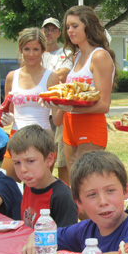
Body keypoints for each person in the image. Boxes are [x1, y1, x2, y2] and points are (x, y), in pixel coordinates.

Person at [21, 151, 128, 254]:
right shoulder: (86, 229)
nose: (103, 201)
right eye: (92, 195)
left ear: (126, 191)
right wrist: (34, 239)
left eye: (110, 191)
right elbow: (48, 235)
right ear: (79, 202)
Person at [52, 5, 116, 173]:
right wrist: (55, 102)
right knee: (74, 184)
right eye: (67, 27)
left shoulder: (99, 56)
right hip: (69, 127)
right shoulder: (76, 57)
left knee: (85, 181)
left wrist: (71, 107)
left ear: (88, 26)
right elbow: (61, 113)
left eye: (75, 26)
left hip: (90, 126)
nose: (70, 31)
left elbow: (104, 104)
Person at [0, 27, 60, 181]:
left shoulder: (51, 77)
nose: (31, 54)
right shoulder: (12, 77)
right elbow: (8, 110)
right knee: (6, 183)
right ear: (21, 49)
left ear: (42, 50)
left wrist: (61, 105)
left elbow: (58, 117)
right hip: (17, 135)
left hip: (42, 138)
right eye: (27, 49)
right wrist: (6, 118)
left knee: (39, 187)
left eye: (35, 49)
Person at [6, 124, 77, 228]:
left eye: (30, 161)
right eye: (17, 163)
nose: (23, 169)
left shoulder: (62, 196)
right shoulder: (28, 186)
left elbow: (68, 239)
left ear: (49, 159)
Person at [41, 17, 73, 185]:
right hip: (39, 111)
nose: (49, 33)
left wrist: (40, 80)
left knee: (61, 157)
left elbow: (62, 75)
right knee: (40, 157)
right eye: (46, 29)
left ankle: (64, 191)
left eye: (53, 29)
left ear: (59, 33)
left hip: (58, 110)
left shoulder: (66, 53)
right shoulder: (35, 53)